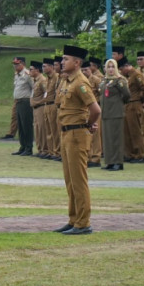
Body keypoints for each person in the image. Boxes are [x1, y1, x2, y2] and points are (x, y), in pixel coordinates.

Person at [52, 44, 101, 235]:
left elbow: (96, 110)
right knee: (70, 180)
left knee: (79, 180)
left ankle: (83, 222)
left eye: (66, 59)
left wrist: (89, 124)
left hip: (77, 135)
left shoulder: (81, 82)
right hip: (66, 133)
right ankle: (73, 219)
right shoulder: (66, 80)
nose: (62, 62)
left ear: (77, 62)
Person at [100, 58, 130, 171]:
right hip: (106, 113)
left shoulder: (119, 80)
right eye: (109, 67)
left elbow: (127, 95)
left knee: (116, 139)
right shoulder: (104, 80)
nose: (111, 69)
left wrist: (120, 103)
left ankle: (118, 162)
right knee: (108, 139)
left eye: (113, 67)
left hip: (116, 113)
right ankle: (110, 162)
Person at [119, 57, 144, 163]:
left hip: (134, 105)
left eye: (121, 69)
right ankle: (130, 154)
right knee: (127, 131)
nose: (120, 72)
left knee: (135, 131)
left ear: (126, 67)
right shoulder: (127, 76)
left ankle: (140, 155)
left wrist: (140, 100)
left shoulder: (136, 75)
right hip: (127, 105)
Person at [11, 56, 34, 156]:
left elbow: (34, 87)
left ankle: (29, 148)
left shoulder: (27, 74)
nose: (15, 66)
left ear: (23, 64)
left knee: (26, 125)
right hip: (18, 102)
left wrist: (31, 100)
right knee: (20, 125)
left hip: (26, 102)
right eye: (14, 64)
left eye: (17, 64)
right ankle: (23, 146)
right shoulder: (17, 75)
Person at [82, 61, 103, 167]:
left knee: (95, 134)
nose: (84, 72)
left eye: (86, 70)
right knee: (87, 133)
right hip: (85, 110)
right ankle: (89, 156)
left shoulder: (96, 80)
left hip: (95, 108)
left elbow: (102, 94)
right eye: (82, 70)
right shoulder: (82, 81)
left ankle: (96, 158)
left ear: (91, 70)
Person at [29, 61, 47, 155]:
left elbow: (46, 94)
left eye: (31, 69)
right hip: (35, 108)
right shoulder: (35, 81)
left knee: (42, 128)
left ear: (37, 70)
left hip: (40, 107)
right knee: (37, 128)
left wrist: (40, 102)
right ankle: (40, 149)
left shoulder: (42, 80)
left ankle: (44, 149)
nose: (29, 71)